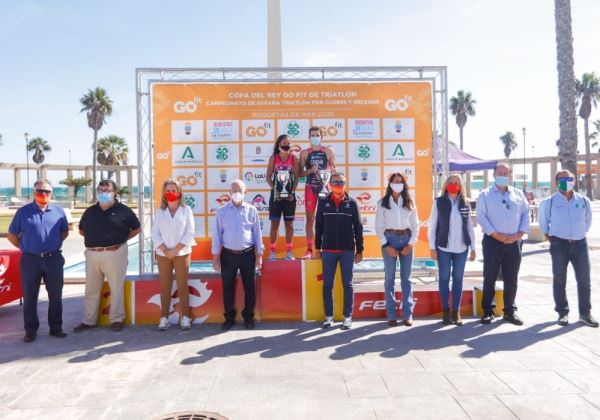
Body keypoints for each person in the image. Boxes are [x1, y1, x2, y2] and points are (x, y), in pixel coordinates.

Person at [74, 180, 141, 333]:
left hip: (115, 253)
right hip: (92, 254)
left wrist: (121, 239)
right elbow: (82, 230)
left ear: (114, 192)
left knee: (116, 288)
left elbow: (136, 229)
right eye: (101, 189)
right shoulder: (90, 211)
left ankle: (117, 319)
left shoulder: (124, 210)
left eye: (107, 189)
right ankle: (88, 320)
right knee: (91, 289)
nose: (104, 192)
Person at [7, 180, 69, 342]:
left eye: (47, 191)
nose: (43, 194)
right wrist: (25, 247)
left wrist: (52, 246)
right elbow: (12, 235)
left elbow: (64, 233)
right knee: (30, 296)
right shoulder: (23, 212)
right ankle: (30, 330)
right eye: (40, 190)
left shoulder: (59, 211)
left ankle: (56, 328)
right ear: (34, 192)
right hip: (30, 260)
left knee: (55, 296)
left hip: (53, 259)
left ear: (51, 193)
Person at [538, 170, 598, 327]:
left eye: (569, 178)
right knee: (559, 279)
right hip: (559, 245)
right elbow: (544, 224)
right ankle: (562, 313)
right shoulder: (549, 202)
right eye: (562, 179)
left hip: (580, 244)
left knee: (584, 280)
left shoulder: (583, 200)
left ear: (574, 181)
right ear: (556, 182)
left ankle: (585, 314)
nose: (567, 181)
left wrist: (579, 235)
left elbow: (587, 221)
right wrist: (554, 238)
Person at [476, 162, 529, 325]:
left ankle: (510, 312)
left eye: (506, 173)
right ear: (494, 175)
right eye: (500, 173)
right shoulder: (485, 194)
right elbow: (481, 217)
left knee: (511, 278)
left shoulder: (519, 194)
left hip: (514, 242)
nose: (503, 176)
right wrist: (497, 235)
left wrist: (519, 234)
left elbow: (526, 214)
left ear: (510, 175)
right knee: (490, 277)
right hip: (493, 242)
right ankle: (488, 311)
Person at [212, 179, 264, 330]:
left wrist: (259, 256)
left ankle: (248, 317)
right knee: (227, 287)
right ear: (229, 192)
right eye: (233, 190)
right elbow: (217, 236)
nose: (236, 193)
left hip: (248, 255)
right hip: (228, 255)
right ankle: (229, 317)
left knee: (250, 288)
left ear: (245, 193)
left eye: (239, 191)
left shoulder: (252, 211)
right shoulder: (221, 212)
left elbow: (257, 235)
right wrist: (216, 258)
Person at [315, 172, 363, 330]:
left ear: (346, 184)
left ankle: (347, 317)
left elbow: (358, 228)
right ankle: (328, 317)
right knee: (327, 284)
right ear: (329, 184)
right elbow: (319, 227)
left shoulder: (352, 203)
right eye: (335, 182)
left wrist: (359, 250)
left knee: (347, 284)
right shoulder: (322, 202)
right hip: (328, 250)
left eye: (341, 182)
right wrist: (317, 247)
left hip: (347, 251)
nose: (338, 184)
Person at [428, 175, 476, 326]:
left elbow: (469, 226)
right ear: (446, 184)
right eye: (451, 182)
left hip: (462, 248)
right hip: (443, 247)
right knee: (443, 278)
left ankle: (456, 311)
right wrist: (432, 247)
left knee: (458, 279)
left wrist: (473, 248)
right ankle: (446, 311)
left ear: (461, 185)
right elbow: (432, 225)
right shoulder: (439, 202)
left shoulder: (466, 203)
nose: (454, 185)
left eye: (457, 183)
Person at [375, 173, 419, 327]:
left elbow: (416, 226)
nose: (398, 184)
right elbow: (378, 227)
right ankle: (391, 315)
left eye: (401, 182)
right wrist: (386, 245)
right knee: (389, 279)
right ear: (390, 183)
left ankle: (408, 315)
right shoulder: (382, 202)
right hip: (390, 239)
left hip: (407, 239)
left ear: (404, 184)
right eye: (395, 181)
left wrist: (411, 244)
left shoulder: (410, 202)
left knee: (406, 279)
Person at [151, 179, 196, 331]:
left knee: (182, 286)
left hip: (182, 253)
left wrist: (175, 250)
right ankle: (164, 317)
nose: (171, 193)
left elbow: (190, 232)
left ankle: (185, 317)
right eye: (168, 190)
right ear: (164, 193)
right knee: (165, 286)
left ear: (179, 192)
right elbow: (154, 233)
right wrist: (165, 250)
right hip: (163, 255)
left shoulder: (186, 210)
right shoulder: (159, 212)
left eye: (174, 190)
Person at [299, 126, 335, 259]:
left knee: (326, 218)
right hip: (310, 188)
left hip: (324, 189)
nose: (315, 137)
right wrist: (310, 171)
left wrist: (328, 175)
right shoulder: (304, 153)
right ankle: (309, 249)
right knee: (310, 219)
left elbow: (333, 169)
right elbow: (299, 173)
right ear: (308, 138)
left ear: (321, 137)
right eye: (312, 135)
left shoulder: (328, 151)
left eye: (317, 135)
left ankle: (325, 247)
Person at [266, 134, 300, 260]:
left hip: (290, 196)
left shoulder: (294, 158)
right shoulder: (273, 158)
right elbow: (268, 177)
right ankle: (273, 252)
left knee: (289, 225)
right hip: (276, 196)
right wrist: (276, 191)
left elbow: (297, 177)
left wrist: (292, 192)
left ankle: (289, 252)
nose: (286, 145)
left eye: (288, 143)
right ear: (279, 145)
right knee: (274, 224)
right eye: (284, 143)